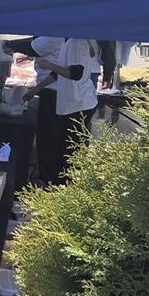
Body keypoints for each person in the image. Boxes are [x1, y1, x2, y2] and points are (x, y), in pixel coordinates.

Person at [30, 36, 99, 185]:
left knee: (68, 153)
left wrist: (48, 64)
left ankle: (64, 187)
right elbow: (58, 74)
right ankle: (62, 185)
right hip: (78, 103)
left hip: (78, 104)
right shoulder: (73, 42)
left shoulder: (76, 42)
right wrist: (36, 88)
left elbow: (75, 73)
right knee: (66, 149)